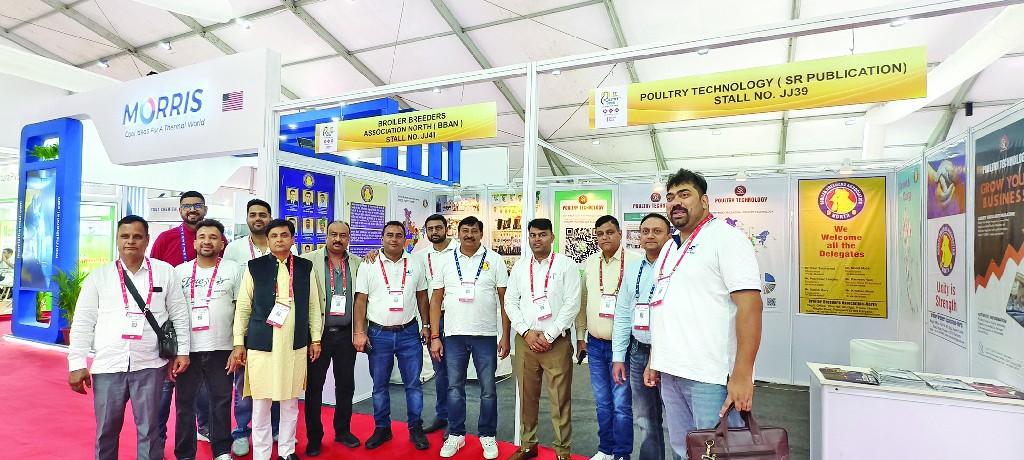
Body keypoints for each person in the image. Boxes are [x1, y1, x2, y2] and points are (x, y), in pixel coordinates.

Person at [643, 169, 763, 460]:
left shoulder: (726, 238)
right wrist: (654, 359)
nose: (676, 202)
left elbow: (750, 306)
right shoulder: (669, 248)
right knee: (683, 451)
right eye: (670, 197)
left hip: (710, 377)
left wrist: (743, 375)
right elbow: (662, 307)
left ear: (705, 201)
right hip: (670, 371)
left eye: (684, 195)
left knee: (717, 453)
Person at [67, 215, 191, 460]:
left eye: (137, 236)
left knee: (150, 430)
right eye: (125, 236)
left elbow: (179, 314)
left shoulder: (164, 272)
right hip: (108, 366)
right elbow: (83, 322)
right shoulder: (99, 277)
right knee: (106, 431)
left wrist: (183, 352)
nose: (130, 241)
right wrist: (76, 363)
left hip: (150, 365)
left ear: (147, 240)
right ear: (117, 240)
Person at [229, 218, 324, 460]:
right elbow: (243, 307)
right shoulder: (255, 267)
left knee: (290, 402)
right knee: (261, 403)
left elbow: (314, 305)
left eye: (284, 235)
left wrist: (315, 339)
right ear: (268, 240)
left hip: (294, 345)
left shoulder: (304, 267)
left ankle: (286, 450)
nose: (279, 240)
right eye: (274, 236)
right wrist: (239, 342)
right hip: (261, 345)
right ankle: (261, 454)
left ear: (292, 239)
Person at [362, 213, 456, 435]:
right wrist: (374, 253)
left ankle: (452, 425)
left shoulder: (459, 251)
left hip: (454, 318)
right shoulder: (420, 257)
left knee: (454, 372)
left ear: (446, 229)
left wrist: (425, 325)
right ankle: (442, 416)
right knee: (440, 372)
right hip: (429, 319)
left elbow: (421, 294)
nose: (434, 232)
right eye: (430, 228)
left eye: (438, 228)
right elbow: (421, 295)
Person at [427, 216, 511, 459]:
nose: (469, 235)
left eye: (474, 231)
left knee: (488, 389)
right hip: (453, 334)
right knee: (455, 387)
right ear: (459, 233)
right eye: (465, 230)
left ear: (481, 234)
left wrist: (505, 335)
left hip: (485, 335)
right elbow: (436, 299)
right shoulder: (446, 260)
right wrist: (435, 335)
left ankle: (488, 435)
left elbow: (504, 300)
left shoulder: (494, 259)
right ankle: (456, 434)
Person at [150, 191, 225, 446]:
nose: (192, 209)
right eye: (187, 206)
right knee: (165, 387)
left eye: (197, 205)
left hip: (206, 330)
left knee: (203, 386)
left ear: (205, 209)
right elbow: (154, 276)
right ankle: (157, 439)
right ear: (180, 210)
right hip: (170, 327)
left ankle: (204, 427)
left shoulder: (217, 239)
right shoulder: (166, 238)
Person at [504, 218, 581, 460]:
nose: (537, 239)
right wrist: (526, 332)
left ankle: (562, 450)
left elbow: (572, 304)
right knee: (527, 396)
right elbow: (510, 302)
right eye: (533, 235)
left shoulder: (566, 265)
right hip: (525, 340)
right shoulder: (520, 267)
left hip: (556, 342)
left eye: (542, 234)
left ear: (552, 237)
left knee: (560, 398)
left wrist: (549, 335)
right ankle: (528, 444)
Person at [352, 221, 431, 451]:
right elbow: (360, 300)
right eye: (389, 235)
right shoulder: (369, 263)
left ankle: (415, 428)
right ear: (382, 238)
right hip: (378, 334)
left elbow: (422, 297)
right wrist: (359, 332)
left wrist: (426, 325)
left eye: (398, 235)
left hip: (409, 333)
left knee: (413, 384)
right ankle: (382, 428)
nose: (394, 239)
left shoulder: (415, 262)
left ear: (405, 239)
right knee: (379, 385)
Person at [172, 219, 241, 460]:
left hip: (222, 347)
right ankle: (184, 453)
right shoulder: (179, 271)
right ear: (195, 242)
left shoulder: (234, 269)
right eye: (202, 237)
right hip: (187, 349)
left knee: (221, 402)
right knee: (184, 404)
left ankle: (221, 451)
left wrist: (237, 346)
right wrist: (176, 350)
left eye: (213, 237)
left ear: (222, 243)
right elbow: (172, 311)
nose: (207, 241)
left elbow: (241, 310)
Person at [576, 215, 640, 460]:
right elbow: (583, 302)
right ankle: (605, 449)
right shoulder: (591, 263)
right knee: (602, 402)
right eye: (600, 233)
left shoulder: (634, 262)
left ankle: (622, 453)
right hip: (595, 344)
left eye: (610, 232)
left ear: (620, 234)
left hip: (623, 347)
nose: (605, 237)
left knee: (621, 404)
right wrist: (580, 336)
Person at [222, 198, 281, 456]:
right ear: (247, 218)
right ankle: (241, 431)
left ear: (270, 217)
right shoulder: (234, 249)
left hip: (277, 325)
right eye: (253, 214)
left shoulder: (281, 245)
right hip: (246, 323)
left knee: (276, 378)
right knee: (243, 382)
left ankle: (275, 427)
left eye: (263, 214)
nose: (258, 218)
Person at [611, 213, 672, 460]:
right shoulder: (633, 268)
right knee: (646, 419)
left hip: (669, 353)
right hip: (638, 351)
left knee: (678, 419)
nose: (650, 236)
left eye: (657, 231)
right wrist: (618, 356)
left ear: (669, 235)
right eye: (645, 231)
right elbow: (623, 314)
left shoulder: (676, 266)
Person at [300, 221, 363, 456]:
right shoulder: (309, 261)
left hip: (346, 334)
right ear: (325, 235)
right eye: (333, 234)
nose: (338, 239)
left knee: (345, 385)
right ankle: (314, 437)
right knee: (314, 387)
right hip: (319, 335)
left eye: (343, 235)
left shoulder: (358, 263)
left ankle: (343, 431)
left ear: (349, 238)